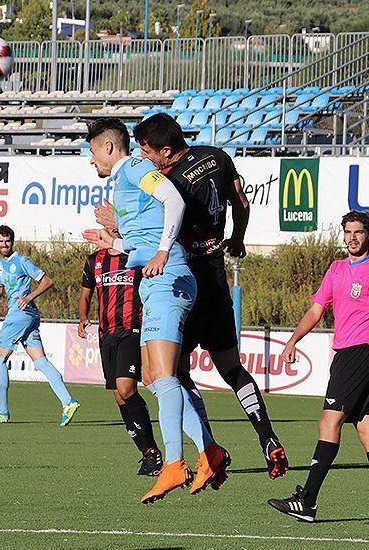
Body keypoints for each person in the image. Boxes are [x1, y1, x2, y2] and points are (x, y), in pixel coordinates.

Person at [94, 112, 289, 479]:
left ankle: (208, 449)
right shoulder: (217, 156)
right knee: (232, 368)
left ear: (166, 151)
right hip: (216, 277)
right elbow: (241, 204)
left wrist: (118, 225)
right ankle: (267, 436)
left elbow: (164, 220)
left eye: (148, 151)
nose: (144, 156)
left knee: (169, 374)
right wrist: (237, 239)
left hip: (182, 278)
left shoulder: (170, 179)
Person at [83, 118, 229, 504]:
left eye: (94, 150)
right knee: (155, 377)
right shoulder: (125, 181)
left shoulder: (132, 168)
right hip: (154, 281)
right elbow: (143, 238)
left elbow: (174, 200)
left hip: (169, 277)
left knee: (163, 379)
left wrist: (164, 249)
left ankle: (174, 464)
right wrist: (115, 242)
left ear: (110, 148)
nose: (92, 158)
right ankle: (210, 452)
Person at [268, 210, 369, 525]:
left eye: (358, 232)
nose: (352, 238)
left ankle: (307, 500)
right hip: (345, 357)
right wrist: (292, 341)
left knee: (328, 423)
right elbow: (316, 310)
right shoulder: (335, 270)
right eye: (348, 232)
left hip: (362, 355)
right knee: (367, 430)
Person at [0, 225, 81, 426]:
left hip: (20, 314)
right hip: (28, 316)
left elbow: (47, 281)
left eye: (7, 241)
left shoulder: (21, 261)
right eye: (0, 241)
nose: (4, 244)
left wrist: (29, 296)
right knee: (40, 361)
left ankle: (1, 411)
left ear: (12, 241)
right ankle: (68, 402)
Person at [79, 248, 163, 476]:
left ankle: (155, 454)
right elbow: (86, 295)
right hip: (106, 334)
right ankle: (148, 452)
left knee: (127, 388)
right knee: (118, 394)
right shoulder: (94, 260)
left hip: (131, 329)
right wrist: (83, 317)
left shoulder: (136, 256)